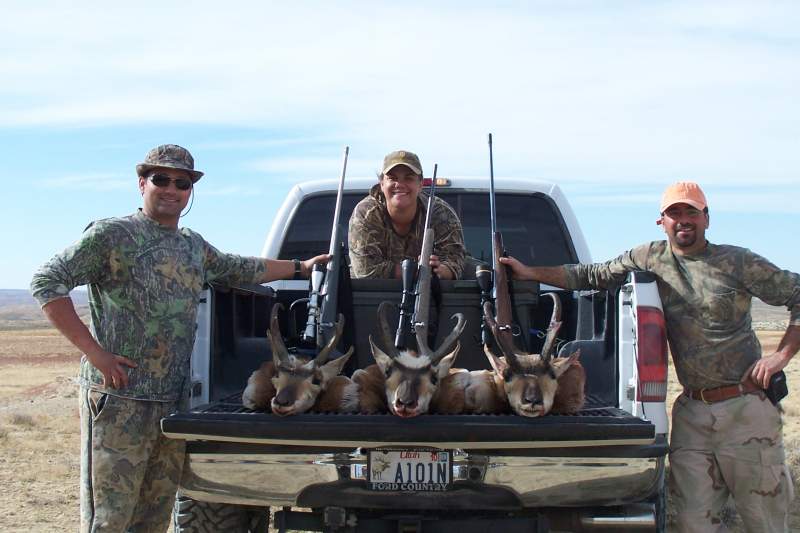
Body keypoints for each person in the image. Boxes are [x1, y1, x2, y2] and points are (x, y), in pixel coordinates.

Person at [30, 144, 328, 533]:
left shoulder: (192, 245)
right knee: (110, 518)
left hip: (172, 405)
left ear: (190, 191)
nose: (172, 189)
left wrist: (299, 267)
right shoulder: (112, 236)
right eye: (162, 179)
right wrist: (96, 354)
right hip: (121, 401)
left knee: (155, 515)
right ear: (142, 183)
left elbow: (239, 268)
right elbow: (45, 282)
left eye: (182, 183)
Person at [500, 181, 798, 532]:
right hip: (692, 414)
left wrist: (780, 357)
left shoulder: (738, 262)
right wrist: (530, 273)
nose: (683, 220)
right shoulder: (650, 258)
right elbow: (591, 275)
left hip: (746, 410)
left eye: (691, 212)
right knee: (691, 522)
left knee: (763, 520)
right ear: (662, 222)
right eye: (675, 213)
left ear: (706, 218)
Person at [348, 149, 465, 279]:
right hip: (368, 296)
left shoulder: (441, 213)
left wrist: (440, 270)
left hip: (432, 294)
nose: (400, 184)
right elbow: (366, 271)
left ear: (420, 184)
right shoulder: (366, 213)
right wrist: (416, 271)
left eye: (408, 178)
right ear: (381, 184)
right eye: (392, 178)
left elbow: (455, 262)